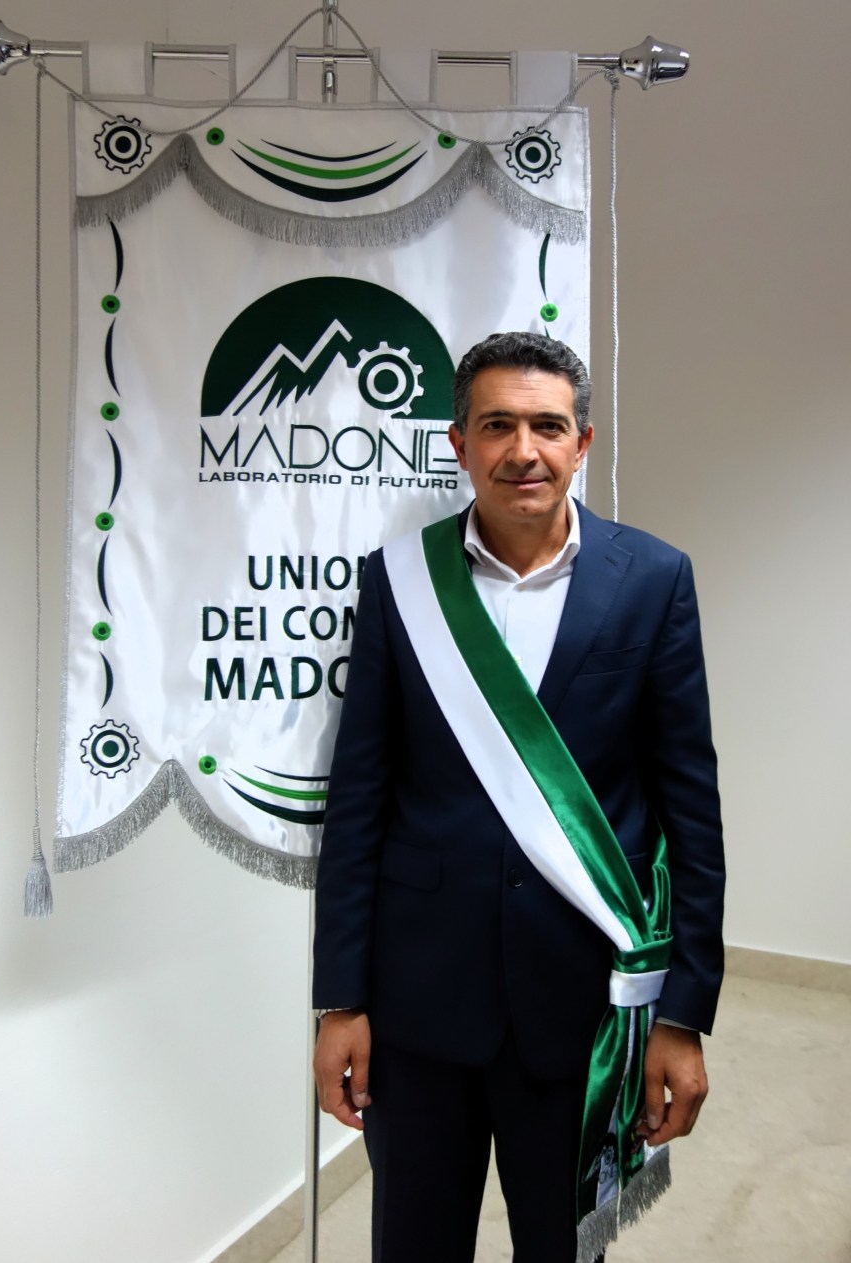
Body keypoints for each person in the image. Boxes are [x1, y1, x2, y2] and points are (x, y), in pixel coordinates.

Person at [312, 331, 724, 1263]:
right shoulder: (400, 581)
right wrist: (339, 999)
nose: (523, 450)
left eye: (548, 426)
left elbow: (690, 813)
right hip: (418, 1005)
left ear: (583, 443)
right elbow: (360, 800)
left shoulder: (654, 579)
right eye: (497, 425)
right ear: (459, 444)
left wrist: (681, 1014)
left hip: (583, 1008)